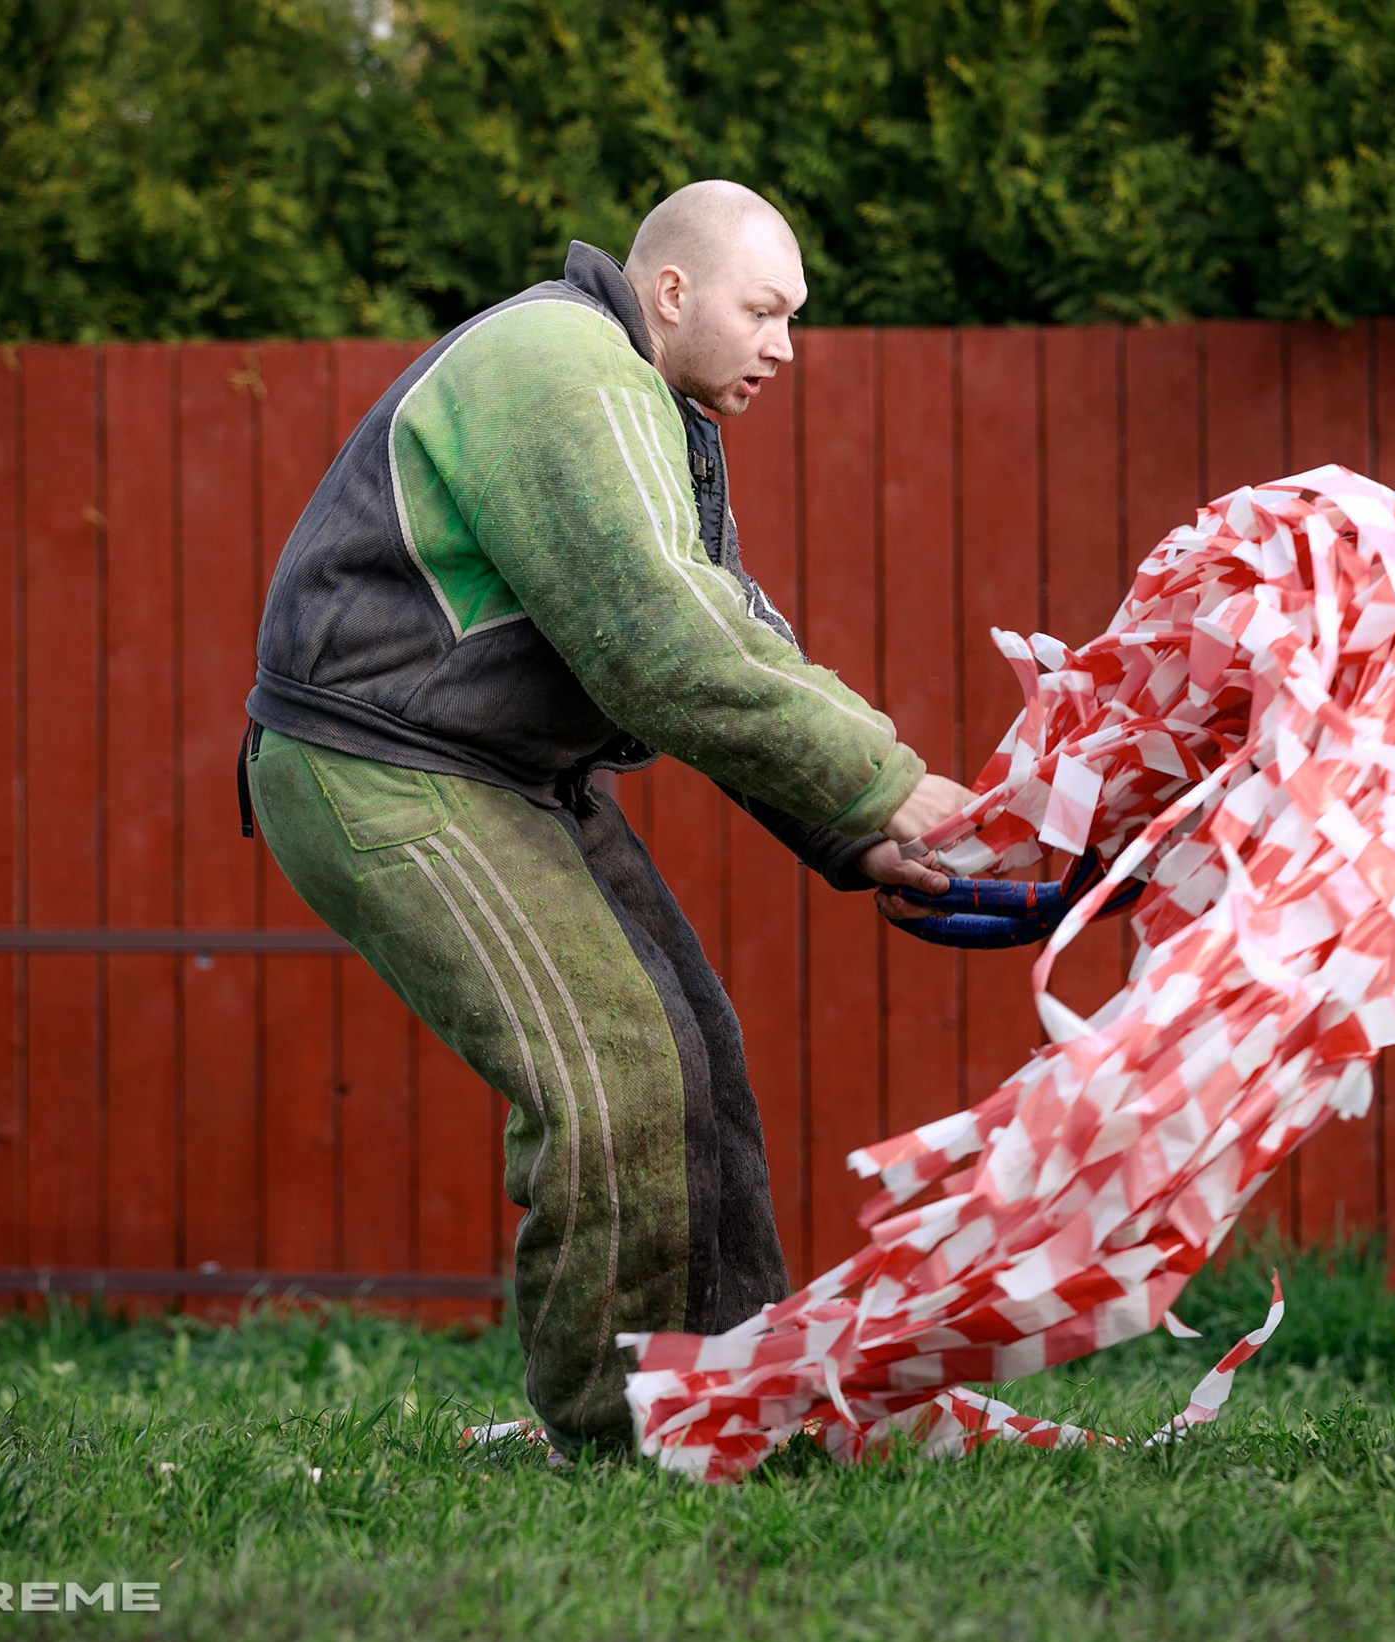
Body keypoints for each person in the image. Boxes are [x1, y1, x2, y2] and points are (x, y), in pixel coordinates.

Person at [241, 181, 972, 1454]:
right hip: (381, 763)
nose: (786, 347)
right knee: (613, 1064)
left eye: (793, 320)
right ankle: (626, 1435)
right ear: (672, 293)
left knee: (692, 1044)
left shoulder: (648, 398)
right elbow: (659, 646)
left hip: (501, 768)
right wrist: (880, 781)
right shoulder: (559, 367)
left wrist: (852, 830)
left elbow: (729, 632)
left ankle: (739, 1404)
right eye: (765, 311)